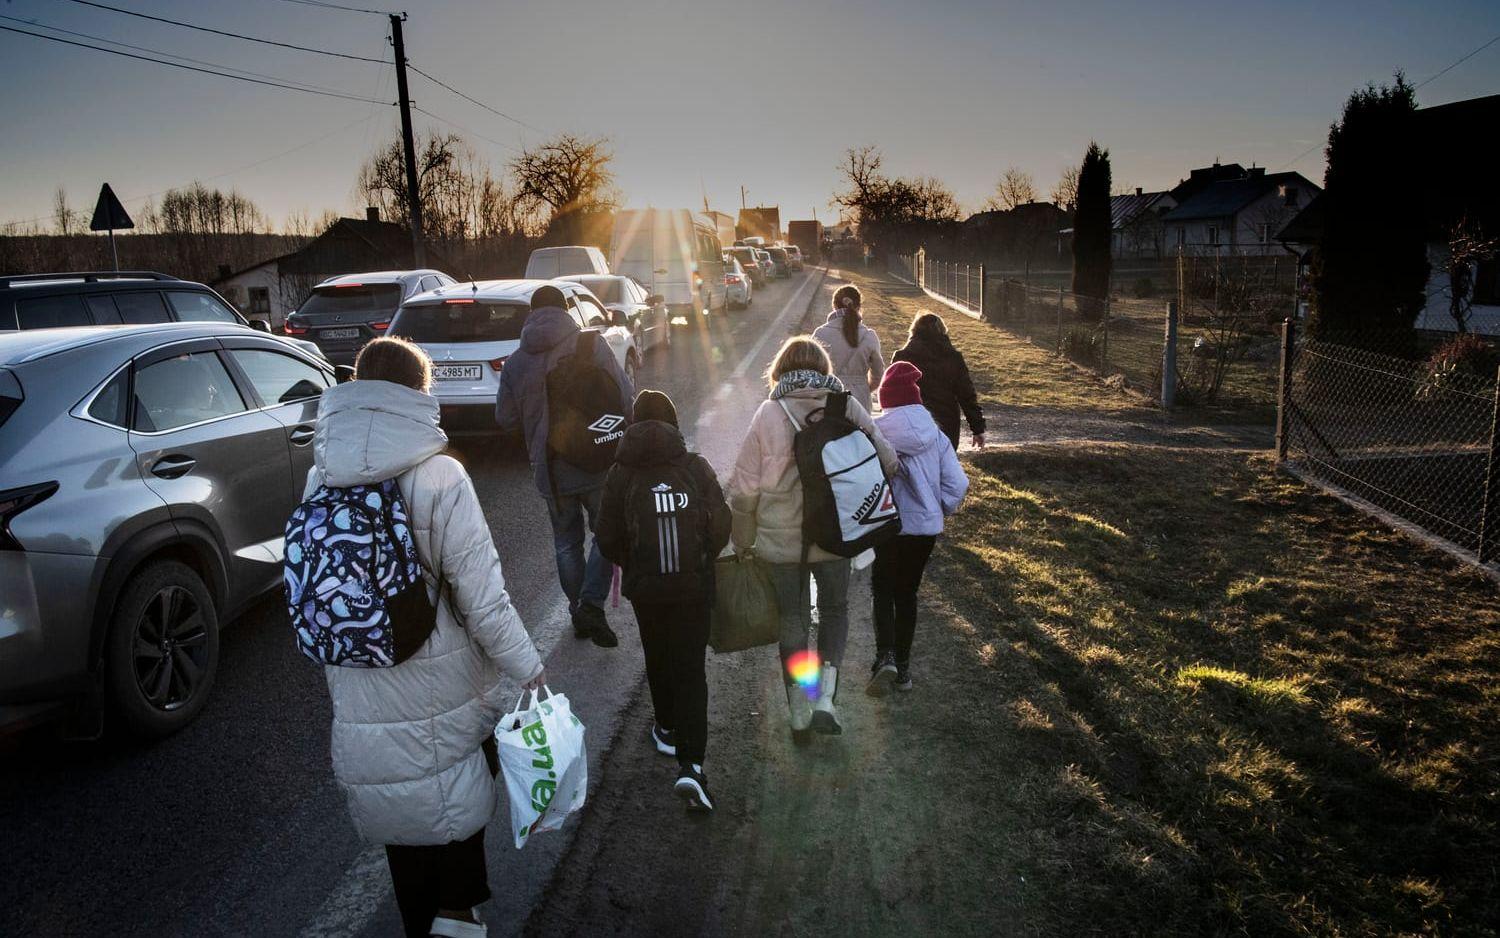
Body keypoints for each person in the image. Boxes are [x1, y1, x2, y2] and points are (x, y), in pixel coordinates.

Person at [310, 337, 546, 938]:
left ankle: (423, 923)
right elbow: (482, 596)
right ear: (420, 393)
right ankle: (459, 916)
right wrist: (527, 666)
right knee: (453, 800)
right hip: (442, 675)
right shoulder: (441, 474)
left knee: (398, 803)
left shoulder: (321, 471)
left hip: (358, 669)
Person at [727, 336, 898, 738]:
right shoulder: (845, 404)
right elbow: (888, 460)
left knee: (793, 620)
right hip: (838, 535)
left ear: (780, 371)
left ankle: (799, 710)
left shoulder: (768, 414)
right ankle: (827, 700)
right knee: (835, 612)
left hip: (781, 542)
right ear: (824, 368)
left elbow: (744, 489)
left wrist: (743, 540)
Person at [596, 389, 731, 811]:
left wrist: (634, 564)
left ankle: (666, 728)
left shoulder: (620, 473)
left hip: (647, 591)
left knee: (658, 654)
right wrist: (705, 558)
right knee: (692, 669)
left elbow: (606, 537)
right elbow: (722, 521)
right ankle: (692, 767)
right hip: (693, 587)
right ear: (673, 423)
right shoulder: (694, 466)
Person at [496, 284, 635, 648]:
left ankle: (578, 610)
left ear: (531, 314)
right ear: (565, 310)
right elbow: (624, 396)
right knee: (606, 535)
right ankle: (591, 604)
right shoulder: (591, 344)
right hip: (598, 461)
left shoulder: (515, 362)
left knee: (565, 543)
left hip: (551, 470)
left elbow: (505, 418)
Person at [867, 361, 969, 696]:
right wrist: (940, 509)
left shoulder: (875, 433)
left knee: (882, 588)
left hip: (888, 527)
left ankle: (886, 657)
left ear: (886, 400)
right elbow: (957, 485)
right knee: (907, 593)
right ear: (916, 399)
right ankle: (905, 670)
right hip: (923, 532)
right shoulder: (936, 435)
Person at [891, 311, 987, 451]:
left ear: (914, 331)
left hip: (912, 422)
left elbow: (891, 394)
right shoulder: (953, 358)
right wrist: (977, 429)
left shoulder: (902, 356)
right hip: (946, 422)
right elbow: (966, 395)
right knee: (944, 464)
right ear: (943, 332)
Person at [811, 284, 885, 412]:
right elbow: (878, 375)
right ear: (859, 307)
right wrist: (863, 387)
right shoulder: (869, 335)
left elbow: (811, 371)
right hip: (860, 399)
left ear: (834, 306)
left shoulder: (820, 334)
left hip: (828, 398)